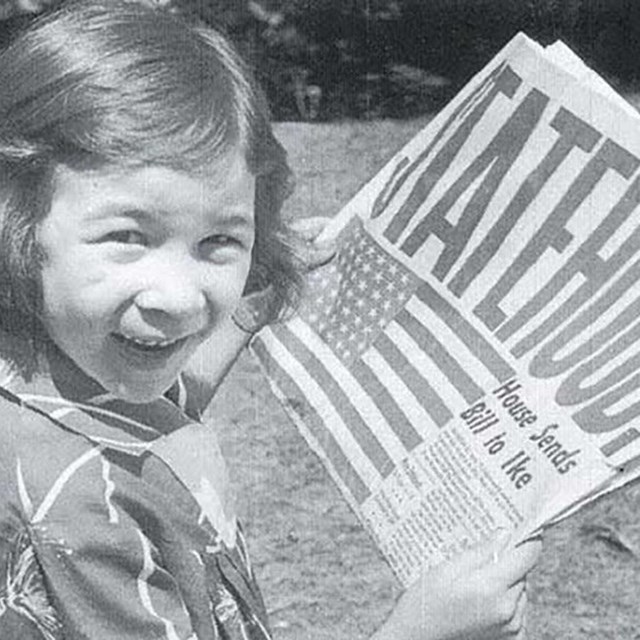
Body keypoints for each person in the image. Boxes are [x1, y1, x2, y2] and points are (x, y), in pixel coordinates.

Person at [0, 1, 541, 638]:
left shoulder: (43, 363)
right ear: (18, 221)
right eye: (127, 235)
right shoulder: (87, 516)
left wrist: (246, 318)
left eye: (219, 243)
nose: (178, 297)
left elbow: (132, 409)